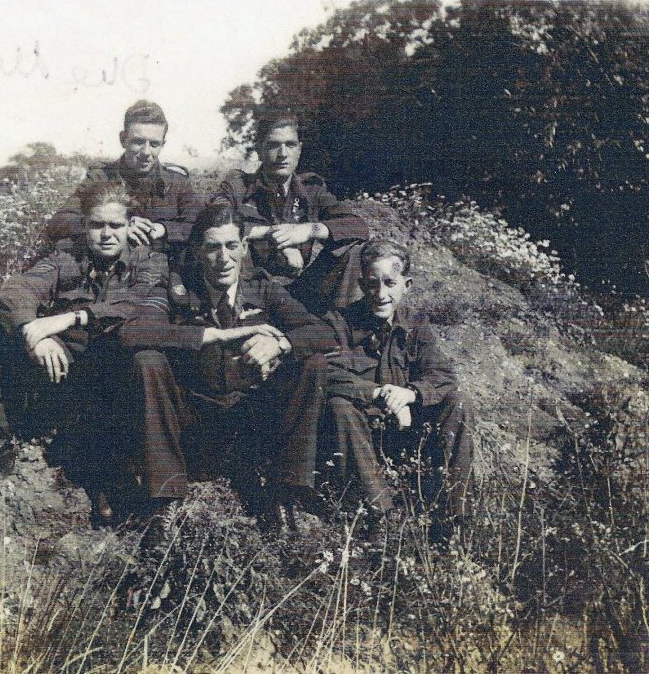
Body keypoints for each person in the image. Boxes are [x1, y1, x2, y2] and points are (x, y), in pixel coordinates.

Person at [0, 180, 169, 522]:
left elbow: (135, 306)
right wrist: (36, 336)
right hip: (65, 368)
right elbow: (16, 289)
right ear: (84, 227)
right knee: (8, 340)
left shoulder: (149, 262)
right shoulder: (65, 259)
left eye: (115, 225)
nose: (106, 234)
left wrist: (71, 317)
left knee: (132, 366)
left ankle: (110, 475)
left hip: (115, 369)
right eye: (97, 225)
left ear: (129, 228)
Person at [120, 203, 337, 538]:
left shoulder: (262, 287)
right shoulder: (176, 290)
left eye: (231, 246)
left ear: (244, 248)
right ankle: (164, 496)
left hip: (250, 420)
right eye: (212, 247)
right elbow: (133, 332)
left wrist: (281, 344)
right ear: (196, 251)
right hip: (193, 420)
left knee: (313, 362)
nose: (223, 258)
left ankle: (283, 491)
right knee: (147, 360)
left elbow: (323, 333)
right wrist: (214, 335)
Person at [320, 240, 474, 541]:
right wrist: (381, 394)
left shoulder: (417, 327)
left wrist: (410, 394)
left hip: (408, 436)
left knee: (458, 402)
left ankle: (452, 517)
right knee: (339, 405)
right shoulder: (339, 323)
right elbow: (328, 373)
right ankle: (381, 515)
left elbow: (442, 375)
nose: (381, 294)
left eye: (390, 283)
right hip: (362, 438)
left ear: (407, 285)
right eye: (372, 284)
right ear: (362, 284)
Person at [214, 108, 369, 313]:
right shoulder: (238, 186)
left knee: (352, 248)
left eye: (290, 145)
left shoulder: (312, 190)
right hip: (252, 291)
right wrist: (274, 236)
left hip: (300, 288)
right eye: (273, 145)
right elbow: (214, 222)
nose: (283, 154)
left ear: (299, 149)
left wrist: (309, 230)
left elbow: (357, 226)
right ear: (259, 149)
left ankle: (340, 328)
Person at [43, 100, 202, 261]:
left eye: (154, 144)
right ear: (123, 139)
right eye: (138, 142)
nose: (146, 152)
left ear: (162, 145)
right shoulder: (99, 179)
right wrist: (118, 227)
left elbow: (201, 226)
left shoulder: (177, 183)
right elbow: (59, 222)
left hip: (164, 275)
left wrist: (163, 229)